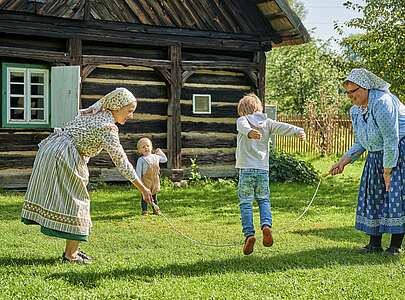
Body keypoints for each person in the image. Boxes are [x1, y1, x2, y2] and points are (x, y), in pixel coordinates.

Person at [21, 88, 153, 264]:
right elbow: (121, 161)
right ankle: (70, 256)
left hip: (53, 149)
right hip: (63, 155)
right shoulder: (107, 127)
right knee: (78, 201)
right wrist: (143, 189)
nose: (131, 116)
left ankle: (72, 251)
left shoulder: (96, 112)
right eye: (129, 111)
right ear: (117, 106)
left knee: (75, 200)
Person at [329, 68, 405, 255]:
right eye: (347, 93)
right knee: (374, 196)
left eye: (352, 92)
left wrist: (388, 170)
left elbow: (391, 139)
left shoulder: (382, 102)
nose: (349, 96)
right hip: (375, 154)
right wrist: (343, 161)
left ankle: (395, 246)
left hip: (398, 151)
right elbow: (362, 142)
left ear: (365, 88)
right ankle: (374, 244)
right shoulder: (355, 110)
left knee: (394, 195)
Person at [236, 93, 306, 255]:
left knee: (246, 203)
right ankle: (266, 226)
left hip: (246, 170)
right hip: (262, 170)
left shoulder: (242, 120)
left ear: (242, 110)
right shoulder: (267, 122)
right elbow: (283, 127)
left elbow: (242, 126)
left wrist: (249, 133)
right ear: (258, 108)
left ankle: (249, 235)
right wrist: (298, 131)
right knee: (263, 200)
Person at [135, 137, 167, 216]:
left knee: (154, 196)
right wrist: (138, 182)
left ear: (151, 147)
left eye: (147, 146)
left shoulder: (156, 157)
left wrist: (160, 152)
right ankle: (144, 210)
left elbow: (164, 159)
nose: (146, 148)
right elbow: (138, 172)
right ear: (140, 150)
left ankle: (155, 210)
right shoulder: (141, 160)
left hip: (155, 180)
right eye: (143, 147)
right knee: (145, 196)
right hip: (145, 181)